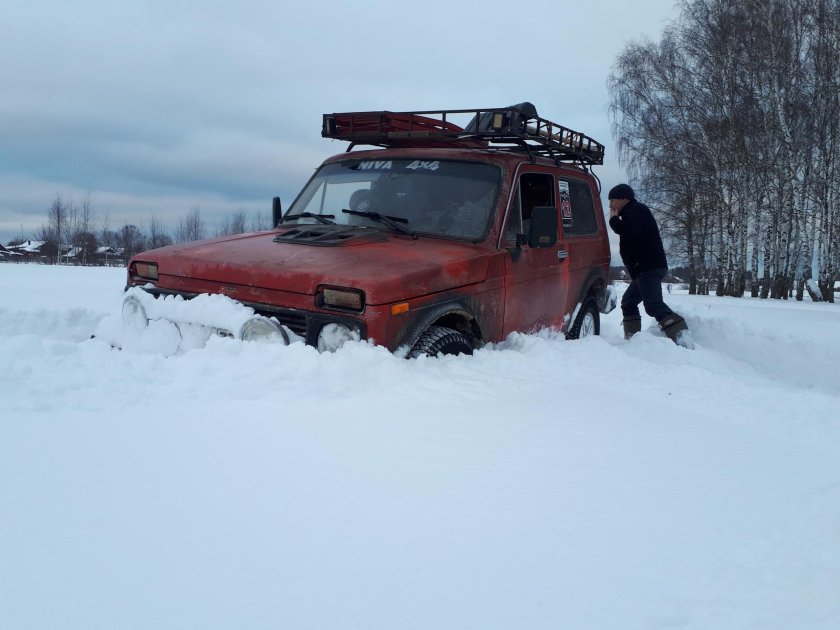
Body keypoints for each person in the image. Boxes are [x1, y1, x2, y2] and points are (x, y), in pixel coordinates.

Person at [607, 184, 691, 346]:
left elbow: (627, 230)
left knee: (653, 305)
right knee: (628, 302)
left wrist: (613, 220)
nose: (610, 206)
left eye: (612, 201)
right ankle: (633, 341)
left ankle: (683, 340)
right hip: (643, 270)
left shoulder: (637, 210)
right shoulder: (632, 212)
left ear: (624, 199)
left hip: (649, 267)